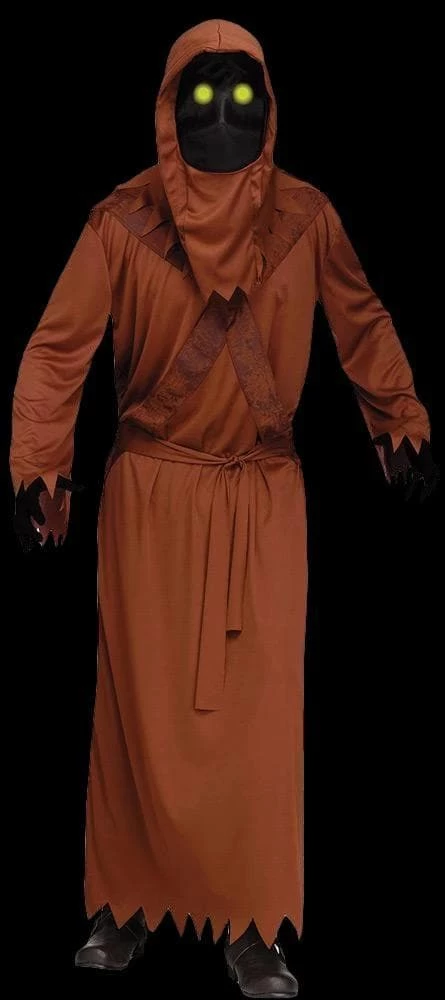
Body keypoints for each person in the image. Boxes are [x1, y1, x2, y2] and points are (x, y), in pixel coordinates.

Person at [9, 18, 438, 999]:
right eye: (202, 94)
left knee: (257, 721)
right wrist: (39, 468)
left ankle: (253, 926)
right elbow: (58, 349)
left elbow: (360, 320)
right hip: (150, 500)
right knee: (137, 709)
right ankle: (122, 908)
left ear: (268, 104)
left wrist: (399, 422)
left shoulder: (304, 218)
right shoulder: (122, 222)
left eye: (241, 93)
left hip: (260, 502)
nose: (221, 114)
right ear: (171, 107)